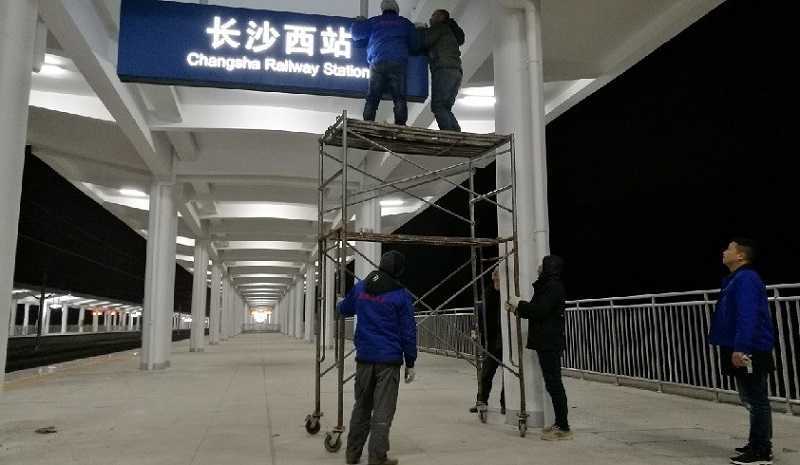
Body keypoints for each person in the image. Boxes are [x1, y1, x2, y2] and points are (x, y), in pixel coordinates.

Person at [337, 250, 417, 465]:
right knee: (383, 411)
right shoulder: (401, 295)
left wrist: (339, 304)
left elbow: (344, 309)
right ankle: (377, 457)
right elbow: (408, 332)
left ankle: (352, 454)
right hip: (388, 362)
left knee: (361, 407)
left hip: (364, 359)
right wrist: (410, 362)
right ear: (399, 270)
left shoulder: (361, 287)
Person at [709, 238, 775, 465]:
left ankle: (761, 450)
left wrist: (742, 348)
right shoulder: (737, 278)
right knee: (750, 397)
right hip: (741, 345)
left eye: (729, 248)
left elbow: (748, 315)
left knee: (756, 399)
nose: (724, 252)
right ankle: (756, 442)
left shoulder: (746, 278)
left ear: (740, 255)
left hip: (751, 347)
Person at [506, 255, 572, 441]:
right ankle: (560, 423)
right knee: (552, 383)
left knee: (554, 384)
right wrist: (517, 309)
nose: (539, 268)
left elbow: (540, 311)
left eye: (542, 265)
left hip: (550, 342)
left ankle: (564, 428)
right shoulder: (547, 286)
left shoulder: (553, 287)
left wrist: (519, 303)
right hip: (546, 341)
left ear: (549, 268)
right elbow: (535, 311)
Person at [352, 0, 418, 126]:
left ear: (383, 9)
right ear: (397, 11)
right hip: (398, 62)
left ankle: (368, 123)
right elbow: (415, 44)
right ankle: (400, 125)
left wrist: (358, 22)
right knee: (399, 97)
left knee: (372, 97)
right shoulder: (404, 23)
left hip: (377, 62)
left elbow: (356, 35)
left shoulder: (374, 21)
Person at [417, 9, 465, 131]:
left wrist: (421, 31)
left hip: (443, 69)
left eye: (433, 15)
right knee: (445, 107)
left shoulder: (439, 28)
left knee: (438, 106)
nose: (431, 18)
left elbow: (424, 43)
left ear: (441, 17)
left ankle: (449, 135)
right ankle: (456, 134)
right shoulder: (450, 31)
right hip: (456, 71)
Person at [470, 268, 506, 414]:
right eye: (494, 275)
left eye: (498, 276)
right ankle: (481, 400)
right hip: (491, 340)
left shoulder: (507, 292)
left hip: (506, 340)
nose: (496, 278)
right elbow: (480, 311)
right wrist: (474, 329)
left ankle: (506, 404)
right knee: (486, 373)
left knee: (508, 375)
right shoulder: (488, 292)